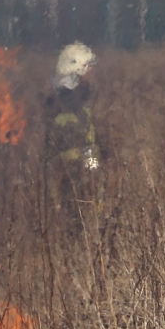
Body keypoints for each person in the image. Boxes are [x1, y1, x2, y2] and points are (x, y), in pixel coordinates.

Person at [44, 41, 101, 231]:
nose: (91, 74)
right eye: (87, 69)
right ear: (76, 70)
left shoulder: (78, 100)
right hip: (74, 169)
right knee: (75, 215)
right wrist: (91, 165)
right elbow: (75, 143)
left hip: (81, 165)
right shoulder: (67, 103)